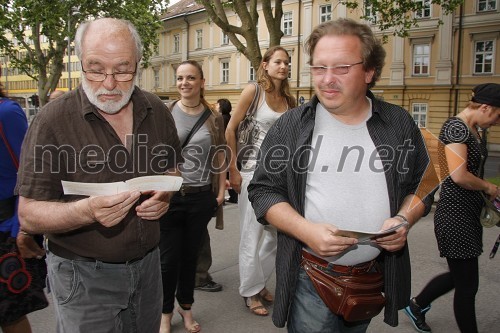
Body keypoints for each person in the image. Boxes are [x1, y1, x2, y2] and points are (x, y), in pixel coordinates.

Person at [248, 18, 438, 332]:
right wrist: (306, 231)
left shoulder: (399, 123)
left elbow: (423, 184)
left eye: (342, 68)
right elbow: (263, 191)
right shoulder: (291, 126)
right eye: (319, 68)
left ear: (369, 71)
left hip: (368, 280)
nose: (327, 80)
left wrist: (405, 218)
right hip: (311, 278)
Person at [15, 18, 182, 333]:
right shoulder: (51, 121)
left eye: (122, 69)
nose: (109, 83)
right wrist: (85, 210)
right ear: (80, 63)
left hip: (149, 269)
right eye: (95, 68)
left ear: (138, 65)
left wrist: (166, 195)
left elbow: (172, 168)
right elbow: (28, 215)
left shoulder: (156, 110)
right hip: (83, 276)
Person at [404, 83, 500, 333]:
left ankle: (417, 305)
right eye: (498, 115)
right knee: (467, 286)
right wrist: (490, 188)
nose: (498, 121)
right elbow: (458, 175)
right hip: (454, 215)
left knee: (460, 276)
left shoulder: (473, 129)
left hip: (467, 214)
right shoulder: (456, 128)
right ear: (486, 107)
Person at [226, 46, 296, 316]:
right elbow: (230, 129)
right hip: (252, 171)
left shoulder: (290, 101)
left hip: (280, 175)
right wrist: (232, 168)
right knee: (251, 234)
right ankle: (250, 292)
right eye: (278, 61)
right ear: (265, 65)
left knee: (275, 236)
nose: (283, 66)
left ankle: (259, 282)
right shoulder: (253, 92)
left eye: (287, 63)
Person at [160, 60, 226, 333]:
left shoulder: (214, 117)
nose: (184, 83)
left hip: (200, 197)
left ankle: (185, 309)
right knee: (167, 261)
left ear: (201, 82)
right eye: (180, 78)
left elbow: (221, 155)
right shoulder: (164, 113)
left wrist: (220, 192)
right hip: (169, 197)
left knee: (190, 259)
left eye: (190, 78)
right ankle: (164, 314)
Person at [0, 66, 47, 333]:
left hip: (5, 231)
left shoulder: (6, 113)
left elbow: (28, 174)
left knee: (10, 313)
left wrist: (23, 230)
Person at [216, 98, 238, 204]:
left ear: (221, 107)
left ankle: (223, 198)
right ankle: (234, 197)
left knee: (223, 174)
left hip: (223, 150)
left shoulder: (221, 119)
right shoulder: (230, 117)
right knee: (229, 174)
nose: (216, 106)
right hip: (231, 150)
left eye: (217, 104)